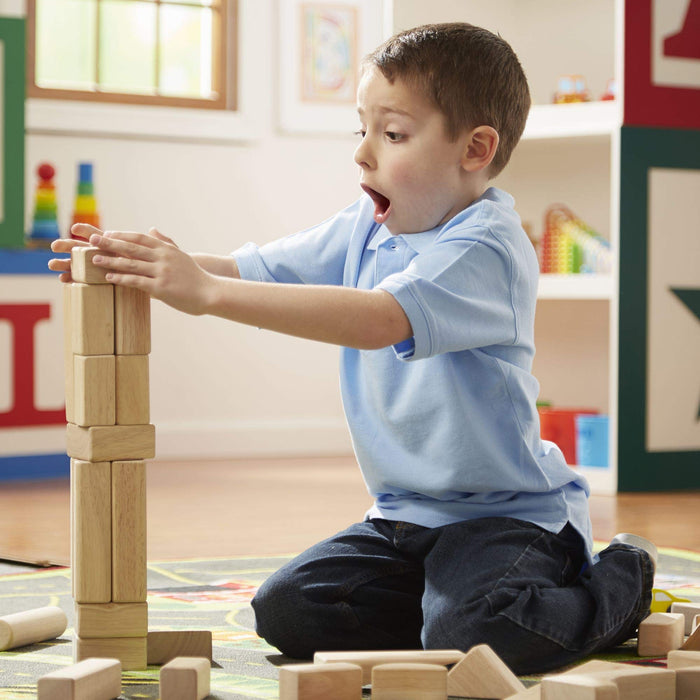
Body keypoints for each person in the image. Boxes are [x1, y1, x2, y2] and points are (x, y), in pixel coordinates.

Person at [50, 22, 655, 674]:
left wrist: (204, 293)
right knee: (287, 611)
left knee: (484, 631)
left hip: (505, 519)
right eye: (361, 130)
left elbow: (379, 319)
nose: (363, 154)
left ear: (476, 148)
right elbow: (249, 270)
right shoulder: (366, 226)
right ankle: (441, 619)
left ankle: (624, 575)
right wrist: (142, 262)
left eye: (392, 134)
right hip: (402, 517)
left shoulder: (486, 247)